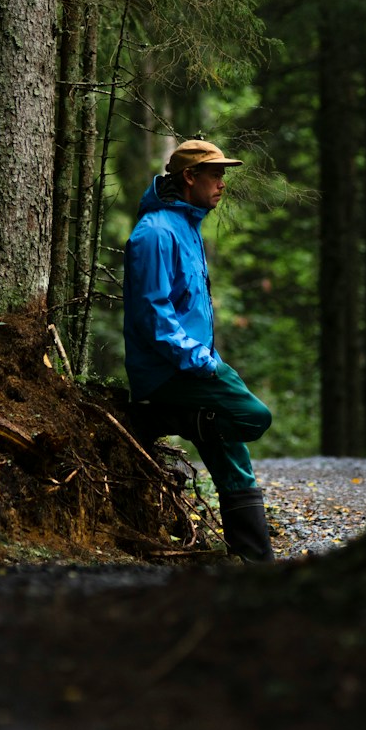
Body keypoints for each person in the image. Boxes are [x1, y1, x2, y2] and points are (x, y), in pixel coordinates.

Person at [122, 139, 276, 562]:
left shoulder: (188, 226)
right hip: (172, 370)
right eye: (215, 174)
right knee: (253, 417)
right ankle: (157, 416)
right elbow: (153, 316)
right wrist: (203, 362)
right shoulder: (154, 233)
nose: (222, 183)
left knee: (231, 449)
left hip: (192, 364)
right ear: (189, 177)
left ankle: (255, 562)